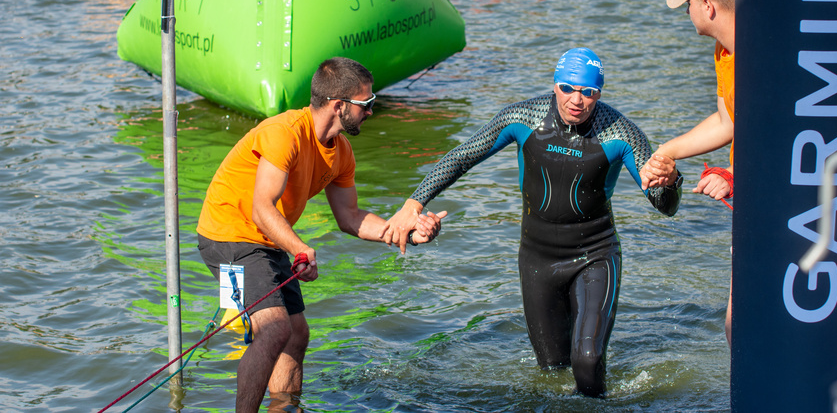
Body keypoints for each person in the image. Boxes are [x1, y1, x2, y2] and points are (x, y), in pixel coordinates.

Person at [384, 48, 682, 397]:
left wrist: (671, 180)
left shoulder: (620, 133)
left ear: (599, 94)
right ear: (555, 85)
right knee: (553, 374)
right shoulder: (523, 117)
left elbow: (665, 207)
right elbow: (463, 156)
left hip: (595, 257)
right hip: (538, 261)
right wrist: (413, 202)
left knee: (587, 360)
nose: (577, 100)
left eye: (589, 93)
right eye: (568, 88)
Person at [196, 57, 444, 413]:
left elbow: (351, 217)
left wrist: (403, 232)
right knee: (275, 330)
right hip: (229, 234)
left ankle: (284, 408)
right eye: (367, 104)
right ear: (339, 105)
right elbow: (261, 208)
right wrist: (299, 249)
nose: (372, 111)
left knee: (297, 334)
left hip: (270, 240)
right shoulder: (284, 133)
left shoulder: (341, 152)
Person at [640, 0, 735, 344]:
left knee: (741, 323)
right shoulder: (722, 50)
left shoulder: (764, 51)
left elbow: (786, 134)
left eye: (689, 4)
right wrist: (666, 152)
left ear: (707, 6)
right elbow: (729, 122)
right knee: (735, 323)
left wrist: (732, 177)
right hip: (749, 201)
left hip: (785, 205)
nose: (688, 12)